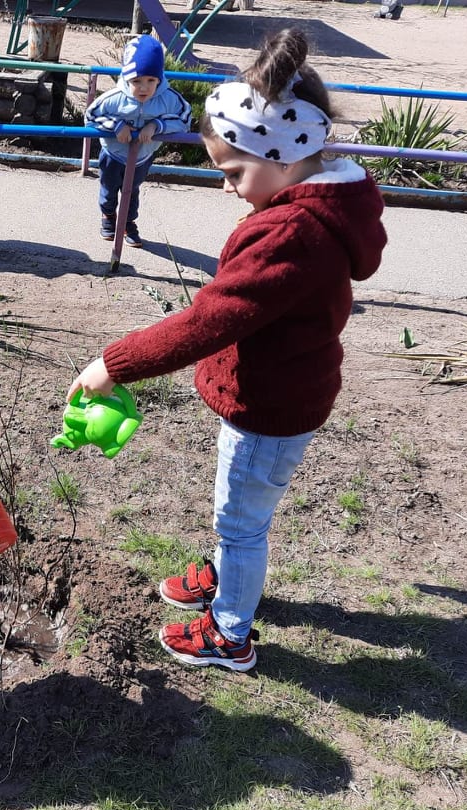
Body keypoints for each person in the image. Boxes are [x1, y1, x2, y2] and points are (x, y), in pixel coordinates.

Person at [67, 29, 387, 672]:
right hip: (275, 389)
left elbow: (210, 320)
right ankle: (225, 572)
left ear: (283, 155)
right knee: (238, 509)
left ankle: (230, 634)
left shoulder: (292, 233)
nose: (228, 187)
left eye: (234, 172)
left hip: (268, 405)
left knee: (241, 523)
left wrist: (115, 363)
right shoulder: (316, 205)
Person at [85, 34, 192, 248]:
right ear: (126, 78)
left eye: (151, 80)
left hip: (142, 156)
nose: (144, 88)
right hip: (113, 155)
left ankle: (128, 222)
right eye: (136, 81)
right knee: (109, 187)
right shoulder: (115, 98)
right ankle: (108, 215)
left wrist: (157, 125)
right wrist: (116, 126)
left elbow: (185, 118)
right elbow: (90, 116)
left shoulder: (169, 98)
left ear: (159, 78)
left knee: (132, 189)